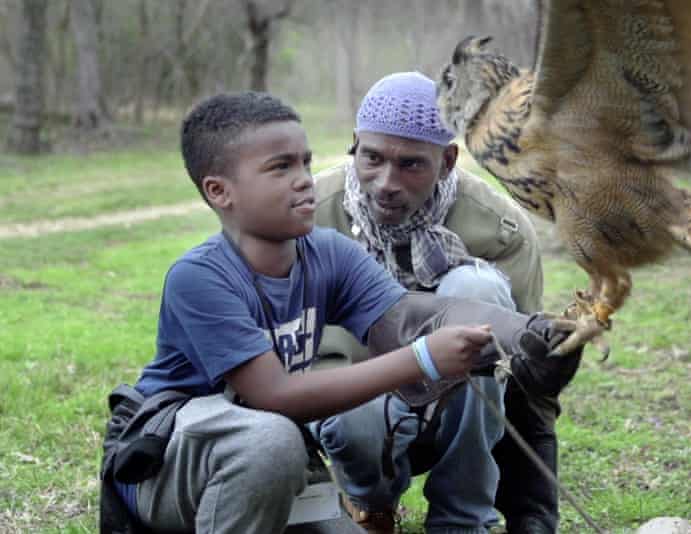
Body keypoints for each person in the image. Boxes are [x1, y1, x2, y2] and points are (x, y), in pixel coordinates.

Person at [98, 91, 589, 534]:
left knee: (277, 450)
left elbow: (407, 317)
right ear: (219, 192)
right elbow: (276, 395)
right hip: (166, 467)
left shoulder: (327, 252)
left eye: (305, 163)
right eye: (280, 168)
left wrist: (526, 333)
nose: (304, 182)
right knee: (268, 441)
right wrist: (425, 359)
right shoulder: (199, 277)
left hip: (275, 460)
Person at [312, 72, 581, 534]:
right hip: (351, 405)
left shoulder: (501, 230)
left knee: (476, 293)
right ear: (354, 146)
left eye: (411, 164)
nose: (386, 183)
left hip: (459, 409)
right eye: (372, 158)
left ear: (448, 160)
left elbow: (524, 384)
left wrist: (532, 507)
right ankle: (370, 504)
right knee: (353, 423)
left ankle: (461, 517)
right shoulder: (308, 215)